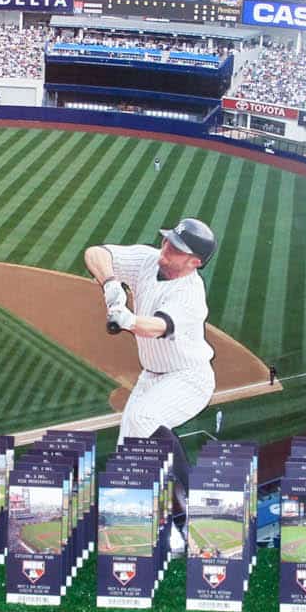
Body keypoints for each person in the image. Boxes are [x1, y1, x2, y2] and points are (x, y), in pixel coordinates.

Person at [84, 218, 217, 530]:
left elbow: (156, 327)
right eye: (169, 239)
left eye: (178, 248)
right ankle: (140, 518)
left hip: (188, 378)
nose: (167, 246)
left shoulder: (190, 295)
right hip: (153, 375)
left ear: (194, 262)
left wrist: (127, 319)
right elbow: (96, 253)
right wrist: (110, 283)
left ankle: (187, 510)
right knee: (128, 444)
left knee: (143, 418)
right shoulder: (148, 259)